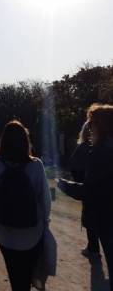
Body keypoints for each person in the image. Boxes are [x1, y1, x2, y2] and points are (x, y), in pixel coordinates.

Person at [0, 121, 51, 291]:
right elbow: (45, 199)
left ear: (3, 141)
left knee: (15, 274)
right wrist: (45, 222)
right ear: (25, 141)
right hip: (32, 232)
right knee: (28, 273)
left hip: (5, 233)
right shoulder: (36, 165)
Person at [58, 104, 113, 291]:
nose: (90, 127)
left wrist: (63, 185)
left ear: (103, 126)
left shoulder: (101, 153)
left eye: (93, 123)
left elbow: (89, 191)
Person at [68, 121, 100, 259]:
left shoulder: (83, 148)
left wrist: (78, 181)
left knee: (90, 216)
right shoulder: (103, 147)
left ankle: (93, 248)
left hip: (88, 188)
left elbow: (73, 165)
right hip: (103, 188)